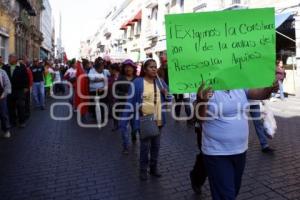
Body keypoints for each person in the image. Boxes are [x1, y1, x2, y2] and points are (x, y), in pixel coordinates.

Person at [195, 81, 279, 200]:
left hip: (240, 150)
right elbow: (199, 118)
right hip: (217, 152)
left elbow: (260, 94)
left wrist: (269, 89)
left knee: (234, 189)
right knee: (226, 195)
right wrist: (202, 100)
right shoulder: (205, 86)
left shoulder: (238, 82)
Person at [119, 58, 169, 181]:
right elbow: (130, 102)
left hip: (159, 120)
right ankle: (143, 170)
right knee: (145, 147)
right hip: (145, 121)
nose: (154, 69)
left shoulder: (160, 81)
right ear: (145, 70)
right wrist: (124, 121)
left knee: (156, 146)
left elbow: (169, 98)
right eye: (151, 67)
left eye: (155, 66)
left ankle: (153, 168)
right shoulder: (137, 83)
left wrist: (166, 93)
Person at [115, 59, 137, 153]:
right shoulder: (120, 79)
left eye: (130, 67)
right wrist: (122, 95)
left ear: (133, 68)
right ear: (123, 69)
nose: (128, 69)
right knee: (123, 127)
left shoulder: (138, 79)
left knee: (134, 126)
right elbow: (115, 92)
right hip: (123, 107)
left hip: (135, 108)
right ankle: (125, 146)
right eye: (126, 67)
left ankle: (133, 134)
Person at [2, 54, 29, 128]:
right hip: (9, 90)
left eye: (10, 58)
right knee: (10, 106)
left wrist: (26, 87)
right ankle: (12, 121)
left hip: (19, 90)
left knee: (20, 105)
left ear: (15, 59)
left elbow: (26, 77)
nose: (9, 59)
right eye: (9, 58)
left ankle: (22, 121)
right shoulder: (5, 67)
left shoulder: (21, 66)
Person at [88, 58, 108, 124]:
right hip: (93, 91)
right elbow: (91, 79)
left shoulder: (105, 71)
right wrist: (102, 79)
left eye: (102, 65)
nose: (102, 66)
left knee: (102, 104)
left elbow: (111, 74)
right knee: (94, 105)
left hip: (102, 90)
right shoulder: (92, 71)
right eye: (101, 65)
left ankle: (102, 117)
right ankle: (95, 116)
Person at [0, 68, 12, 138]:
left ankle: (6, 130)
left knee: (3, 114)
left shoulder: (2, 72)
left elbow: (7, 85)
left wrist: (3, 95)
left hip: (1, 96)